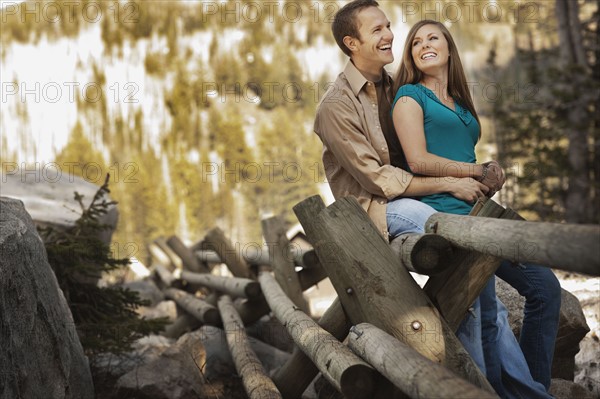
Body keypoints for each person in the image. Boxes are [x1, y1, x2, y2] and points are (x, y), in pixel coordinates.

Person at [314, 0, 560, 397]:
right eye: (376, 30)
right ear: (351, 43)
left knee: (501, 294)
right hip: (375, 211)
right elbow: (379, 180)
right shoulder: (336, 106)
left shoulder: (392, 88)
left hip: (423, 197)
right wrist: (450, 182)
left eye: (388, 26)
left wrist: (473, 174)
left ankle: (524, 390)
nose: (390, 35)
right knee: (470, 275)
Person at [390, 20, 560, 397]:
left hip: (482, 214)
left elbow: (459, 155)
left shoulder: (462, 103)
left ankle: (535, 387)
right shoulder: (408, 96)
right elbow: (418, 161)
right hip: (446, 217)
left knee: (546, 289)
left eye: (433, 37)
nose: (424, 45)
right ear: (411, 56)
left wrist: (488, 174)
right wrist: (475, 170)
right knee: (483, 316)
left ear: (449, 48)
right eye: (416, 42)